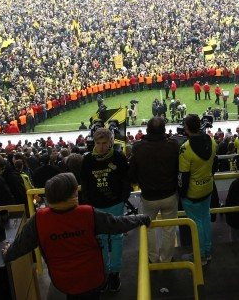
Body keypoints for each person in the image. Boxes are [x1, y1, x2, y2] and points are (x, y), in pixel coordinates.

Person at [3, 173, 150, 300]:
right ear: (73, 195)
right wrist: (141, 218)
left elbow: (21, 246)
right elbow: (117, 224)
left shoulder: (38, 220)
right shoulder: (88, 214)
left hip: (62, 280)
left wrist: (7, 253)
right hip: (92, 277)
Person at [80, 127, 131, 292]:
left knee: (116, 239)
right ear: (94, 143)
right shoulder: (87, 160)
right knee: (100, 240)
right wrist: (87, 202)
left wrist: (123, 197)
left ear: (111, 142)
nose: (101, 146)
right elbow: (85, 183)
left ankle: (114, 273)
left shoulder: (119, 158)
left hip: (115, 203)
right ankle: (105, 272)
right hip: (96, 206)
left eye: (104, 143)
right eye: (98, 143)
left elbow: (126, 179)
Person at [129, 116, 179, 264]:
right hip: (169, 193)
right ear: (164, 130)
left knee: (148, 228)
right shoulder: (173, 145)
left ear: (147, 130)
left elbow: (132, 174)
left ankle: (153, 258)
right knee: (169, 228)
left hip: (149, 196)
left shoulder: (138, 147)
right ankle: (167, 259)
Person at [178, 113, 218, 265]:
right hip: (208, 187)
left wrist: (182, 195)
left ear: (186, 128)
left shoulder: (185, 149)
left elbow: (183, 176)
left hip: (192, 193)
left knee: (196, 224)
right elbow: (215, 165)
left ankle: (200, 255)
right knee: (205, 219)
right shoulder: (212, 142)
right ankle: (207, 251)